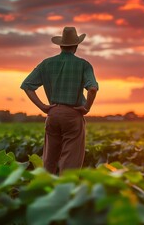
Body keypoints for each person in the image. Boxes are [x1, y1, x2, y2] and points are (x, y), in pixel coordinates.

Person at [20, 27, 98, 175]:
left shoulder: (46, 63)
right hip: (73, 115)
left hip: (53, 114)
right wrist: (87, 107)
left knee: (49, 160)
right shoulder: (83, 64)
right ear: (76, 46)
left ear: (61, 45)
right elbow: (92, 89)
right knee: (71, 163)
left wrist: (43, 107)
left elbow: (27, 86)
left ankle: (46, 190)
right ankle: (65, 191)